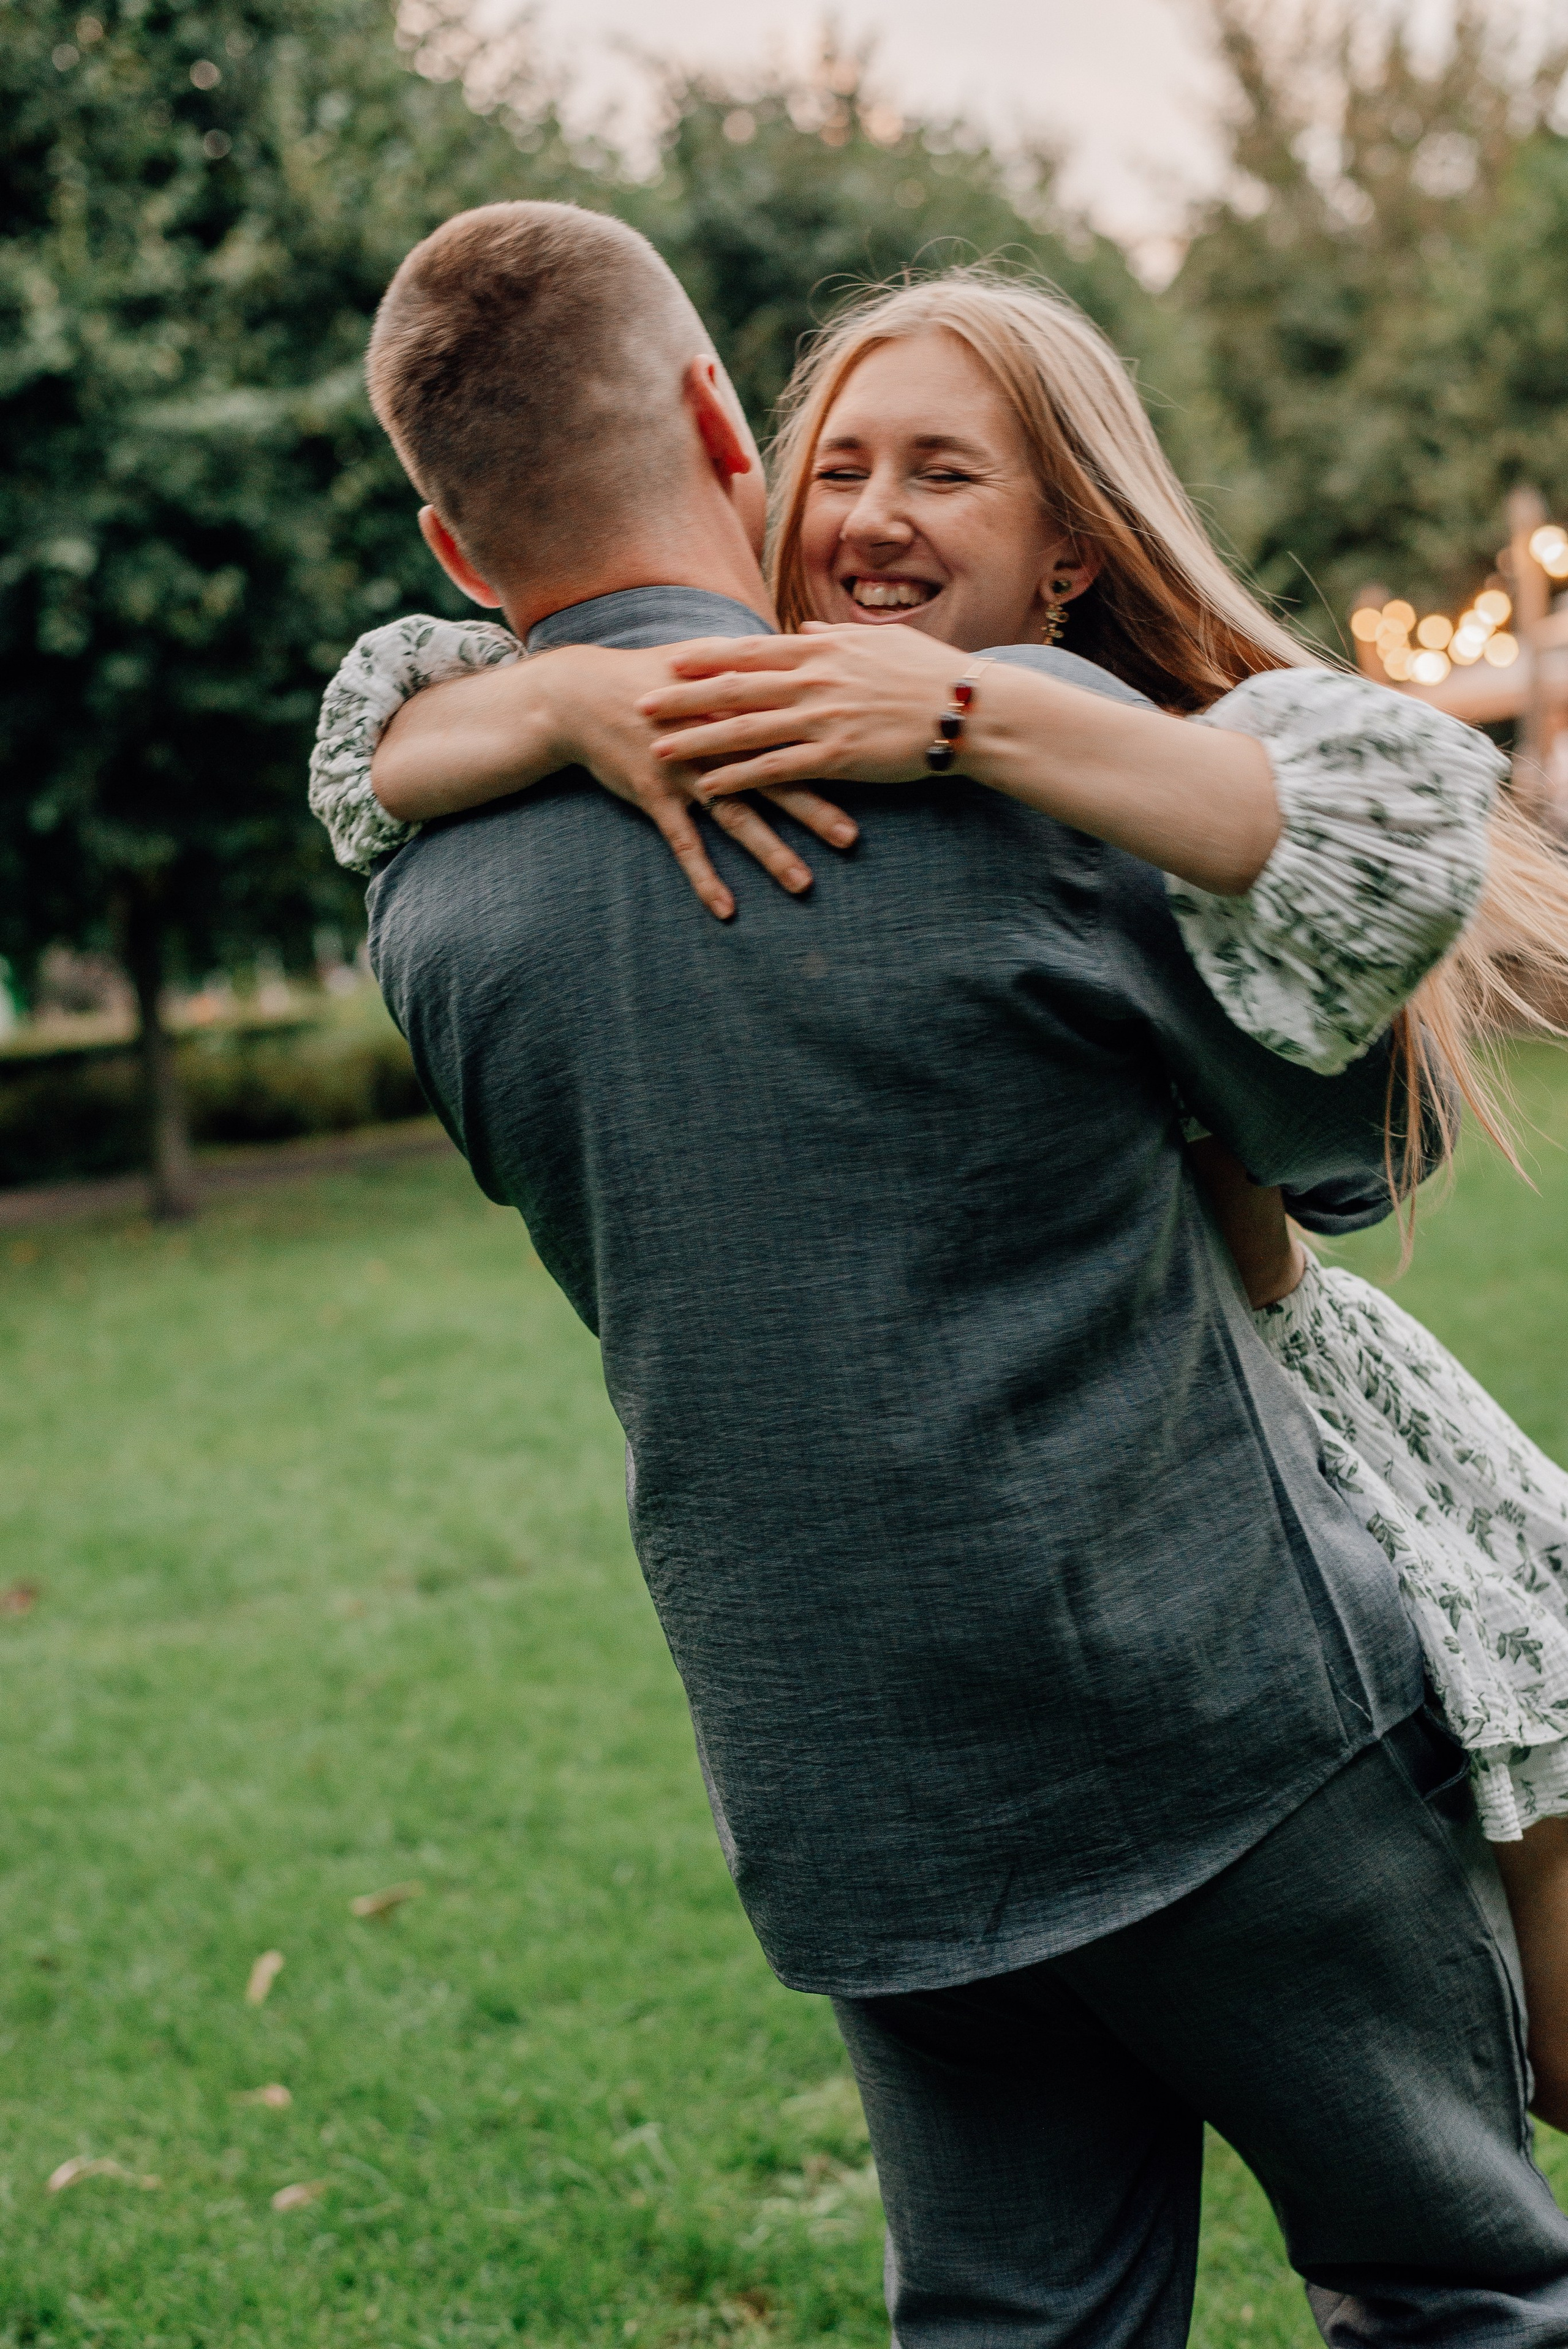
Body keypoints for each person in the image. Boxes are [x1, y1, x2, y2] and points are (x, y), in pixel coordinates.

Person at [315, 204, 1568, 2344]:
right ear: (730, 418)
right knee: (1457, 2289)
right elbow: (1341, 1169)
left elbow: (388, 756)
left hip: (857, 1795)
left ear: (450, 548)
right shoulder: (1015, 760)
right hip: (1221, 1721)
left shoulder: (431, 909)